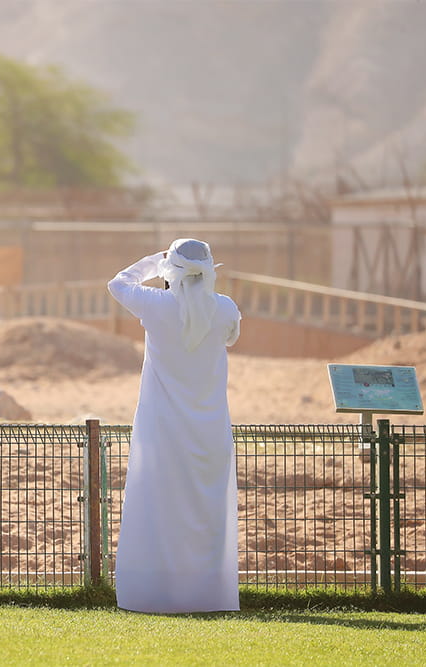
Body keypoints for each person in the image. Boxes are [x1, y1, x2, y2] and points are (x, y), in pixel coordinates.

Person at [106, 238, 241, 613]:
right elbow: (231, 335)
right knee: (205, 514)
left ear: (171, 270)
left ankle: (155, 595)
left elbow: (117, 285)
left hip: (161, 429)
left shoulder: (156, 305)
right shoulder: (226, 308)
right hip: (211, 430)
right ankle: (207, 596)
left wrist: (153, 261)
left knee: (159, 511)